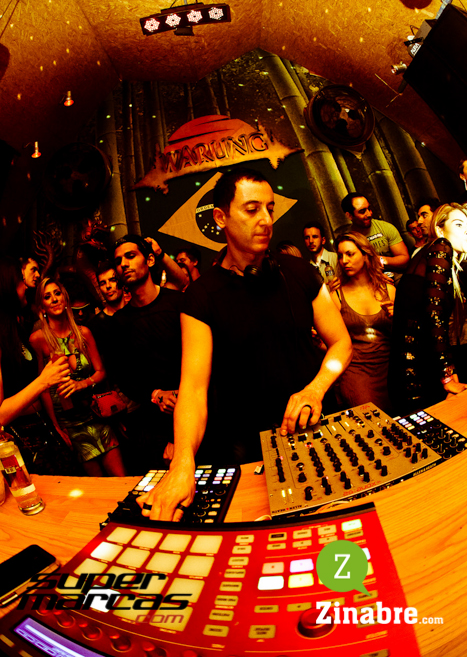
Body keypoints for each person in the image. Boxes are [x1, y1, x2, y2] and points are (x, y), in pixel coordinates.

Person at [139, 167, 352, 521]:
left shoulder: (299, 272)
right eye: (252, 209)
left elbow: (341, 342)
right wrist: (183, 463)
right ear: (220, 218)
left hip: (311, 429)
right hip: (245, 451)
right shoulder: (200, 297)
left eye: (270, 208)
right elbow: (193, 389)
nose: (266, 220)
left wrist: (315, 389)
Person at [30, 278, 126, 476]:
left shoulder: (84, 333)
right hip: (69, 423)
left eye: (57, 293)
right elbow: (43, 389)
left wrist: (82, 384)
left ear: (65, 299)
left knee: (121, 479)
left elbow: (101, 372)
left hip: (94, 414)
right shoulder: (38, 339)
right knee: (95, 486)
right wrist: (56, 426)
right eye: (47, 297)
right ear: (42, 307)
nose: (54, 299)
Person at [112, 235, 184, 470]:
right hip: (154, 425)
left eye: (130, 256)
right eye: (118, 261)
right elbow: (125, 377)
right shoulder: (120, 322)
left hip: (197, 409)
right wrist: (156, 394)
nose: (123, 264)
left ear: (150, 260)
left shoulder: (178, 303)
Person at [0, 257, 76, 474]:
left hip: (41, 427)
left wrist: (54, 425)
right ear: (7, 288)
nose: (26, 286)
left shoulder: (17, 329)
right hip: (20, 439)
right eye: (20, 282)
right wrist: (43, 381)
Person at [389, 203, 467, 412]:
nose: (466, 231)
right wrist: (447, 374)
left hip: (413, 364)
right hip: (416, 369)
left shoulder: (431, 254)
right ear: (440, 229)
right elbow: (434, 314)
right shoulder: (442, 246)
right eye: (459, 224)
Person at [330, 232, 395, 412]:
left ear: (366, 255)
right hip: (357, 373)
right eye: (340, 256)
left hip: (390, 369)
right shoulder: (336, 296)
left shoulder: (388, 289)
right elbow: (332, 342)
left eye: (350, 254)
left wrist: (398, 318)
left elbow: (405, 336)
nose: (344, 261)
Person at [341, 194, 409, 273]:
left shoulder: (385, 227)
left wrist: (380, 260)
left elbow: (404, 260)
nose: (369, 214)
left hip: (395, 277)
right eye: (362, 211)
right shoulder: (347, 239)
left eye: (369, 209)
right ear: (349, 215)